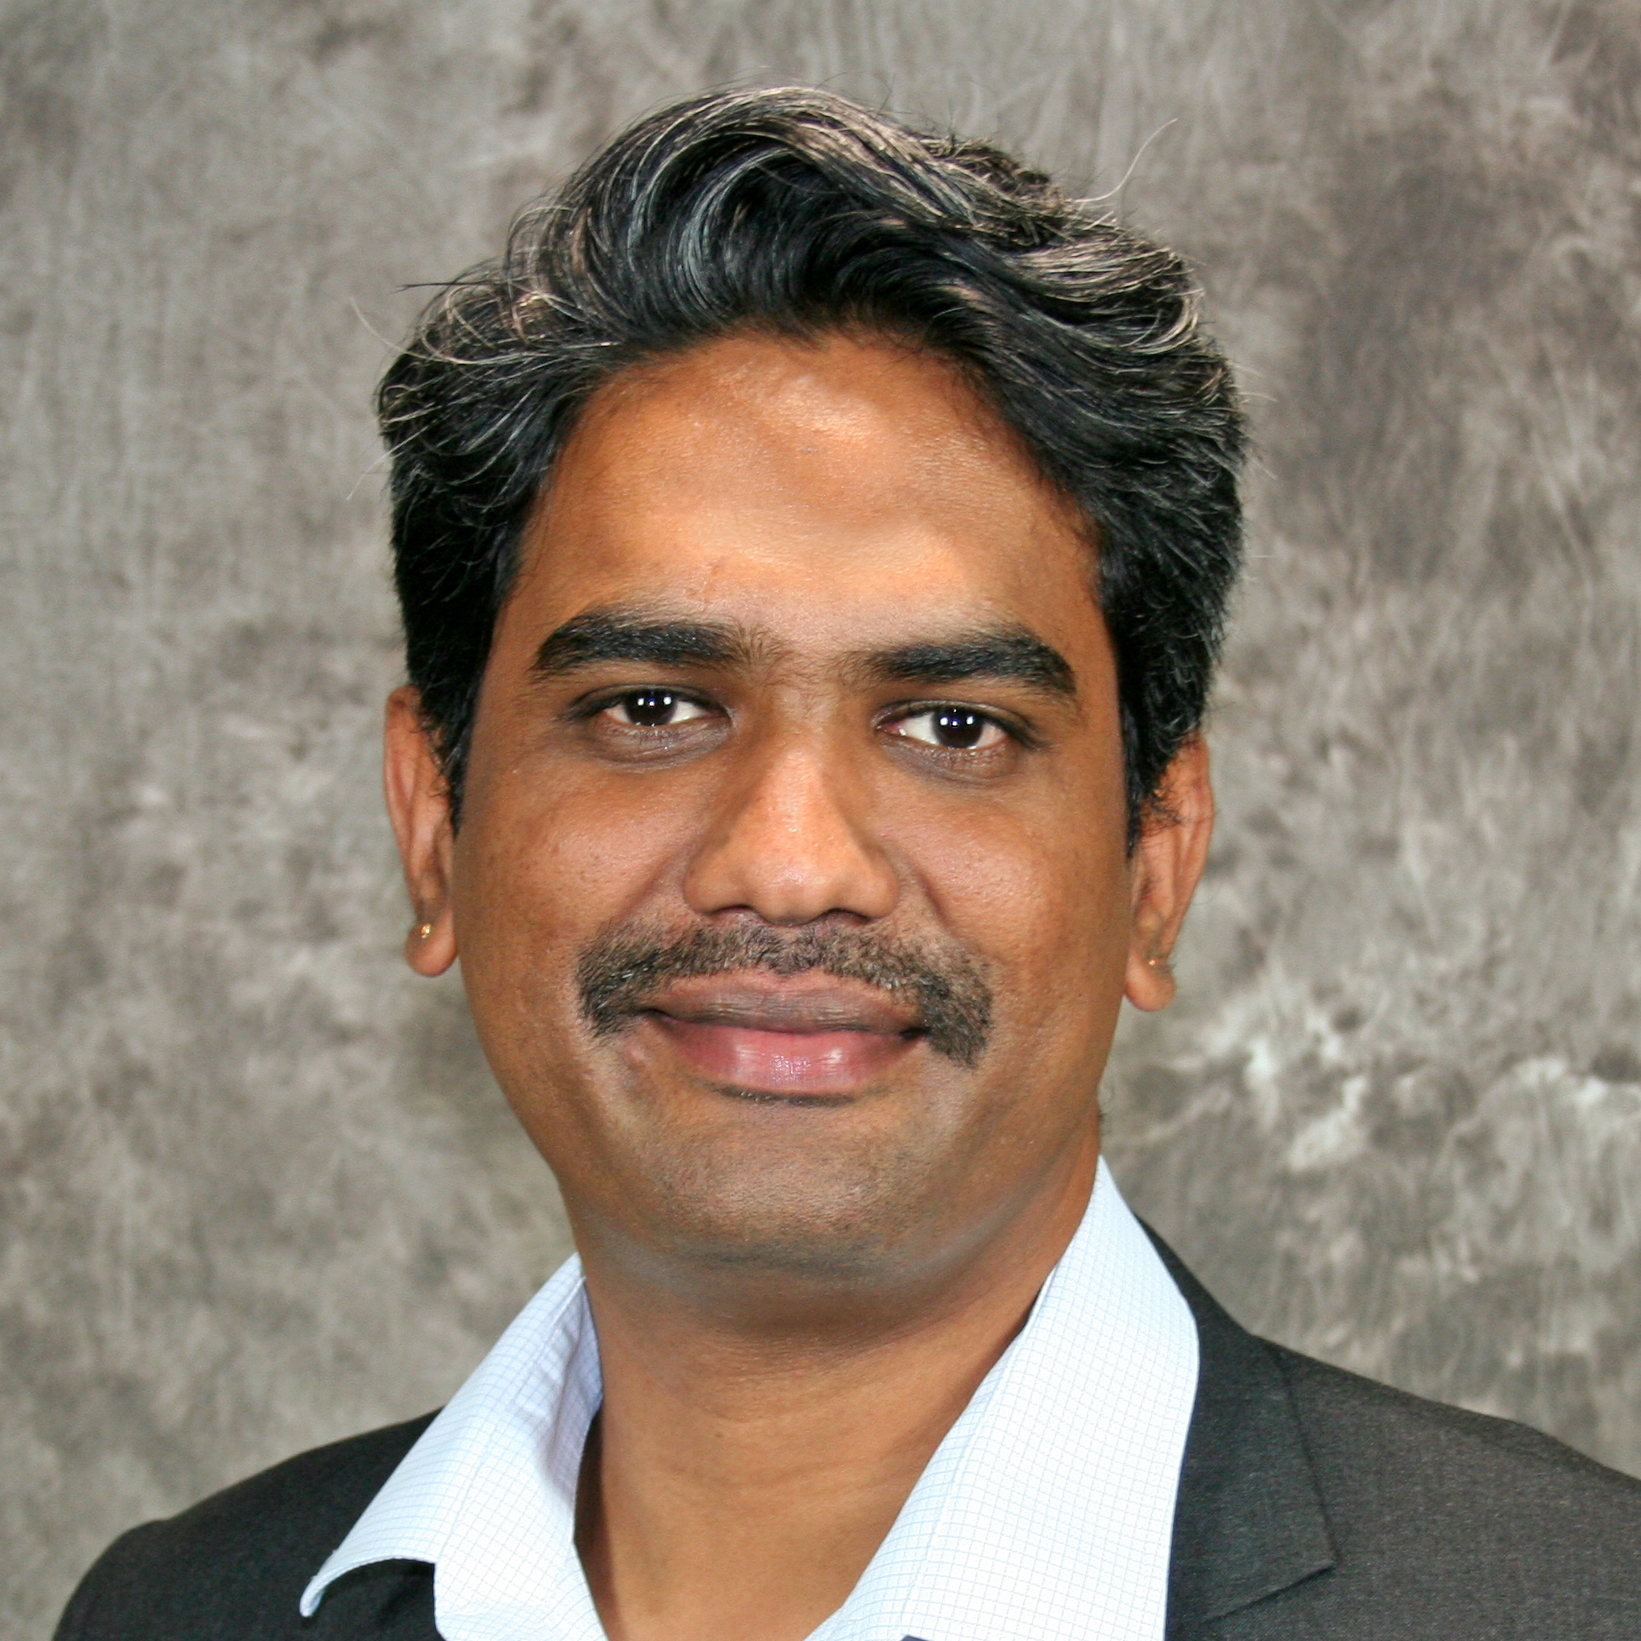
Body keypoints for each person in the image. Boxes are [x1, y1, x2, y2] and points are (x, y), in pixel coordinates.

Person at [56, 86, 1640, 1641]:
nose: (791, 862)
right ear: (430, 824)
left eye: (952, 725)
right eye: (652, 707)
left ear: (1154, 866)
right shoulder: (174, 1613)